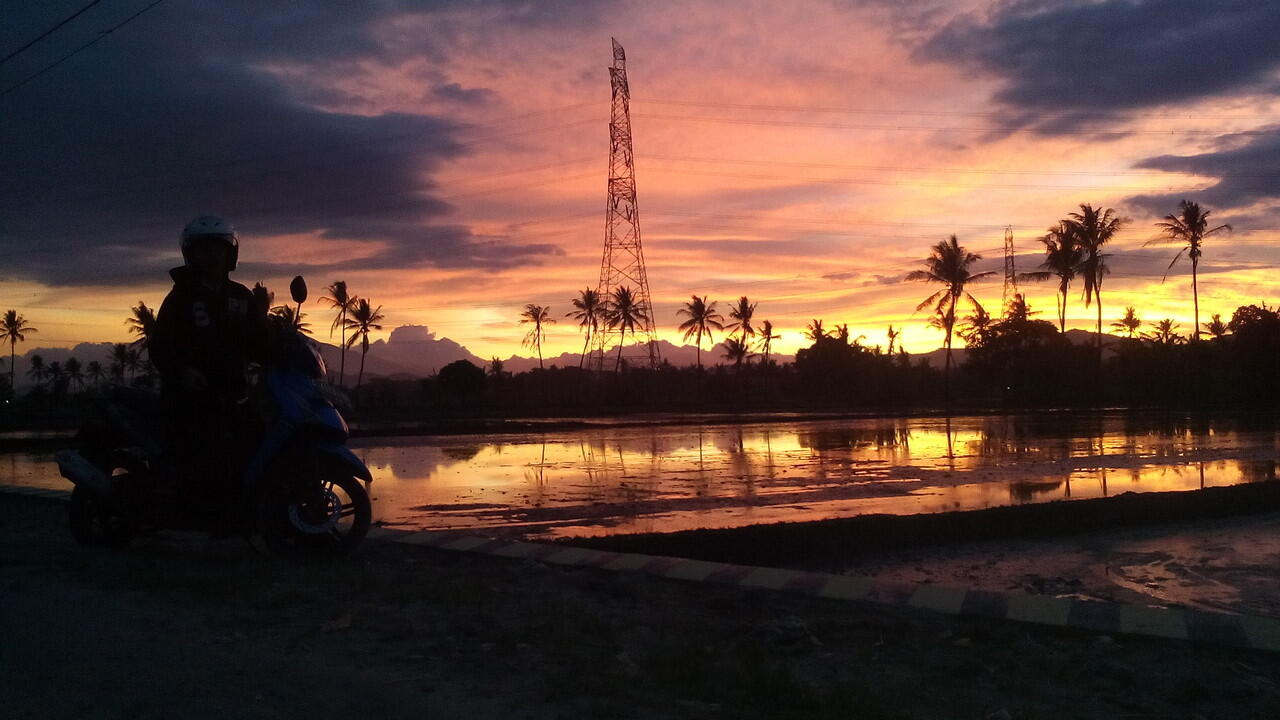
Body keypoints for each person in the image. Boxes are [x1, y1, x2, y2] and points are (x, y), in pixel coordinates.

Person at [150, 215, 267, 493]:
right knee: (206, 454)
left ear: (231, 253)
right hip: (192, 397)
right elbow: (159, 345)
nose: (213, 256)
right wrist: (182, 372)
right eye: (204, 250)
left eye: (219, 249)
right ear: (192, 254)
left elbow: (260, 338)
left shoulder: (241, 296)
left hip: (234, 391)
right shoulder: (181, 297)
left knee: (258, 437)